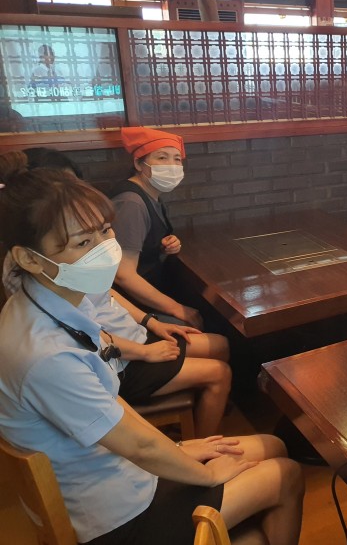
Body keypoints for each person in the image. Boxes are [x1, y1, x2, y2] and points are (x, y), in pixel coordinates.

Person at [0, 158, 303, 545]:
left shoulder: (46, 302)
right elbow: (138, 446)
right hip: (114, 513)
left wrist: (181, 446)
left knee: (273, 445)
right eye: (82, 243)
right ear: (28, 258)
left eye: (105, 231)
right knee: (286, 475)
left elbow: (114, 407)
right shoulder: (47, 355)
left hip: (111, 470)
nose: (105, 249)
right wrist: (207, 473)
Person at [2, 148, 231, 438]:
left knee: (220, 344)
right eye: (84, 240)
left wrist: (150, 322)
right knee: (219, 373)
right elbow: (91, 338)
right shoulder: (41, 288)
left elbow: (106, 297)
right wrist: (145, 352)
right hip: (117, 360)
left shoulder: (71, 274)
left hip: (127, 339)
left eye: (106, 230)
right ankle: (206, 444)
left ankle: (202, 418)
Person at [110, 126, 205, 329]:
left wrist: (163, 245)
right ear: (138, 163)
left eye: (177, 159)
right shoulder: (131, 203)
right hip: (129, 305)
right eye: (162, 158)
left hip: (150, 289)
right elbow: (123, 275)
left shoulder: (150, 193)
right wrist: (176, 308)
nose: (172, 165)